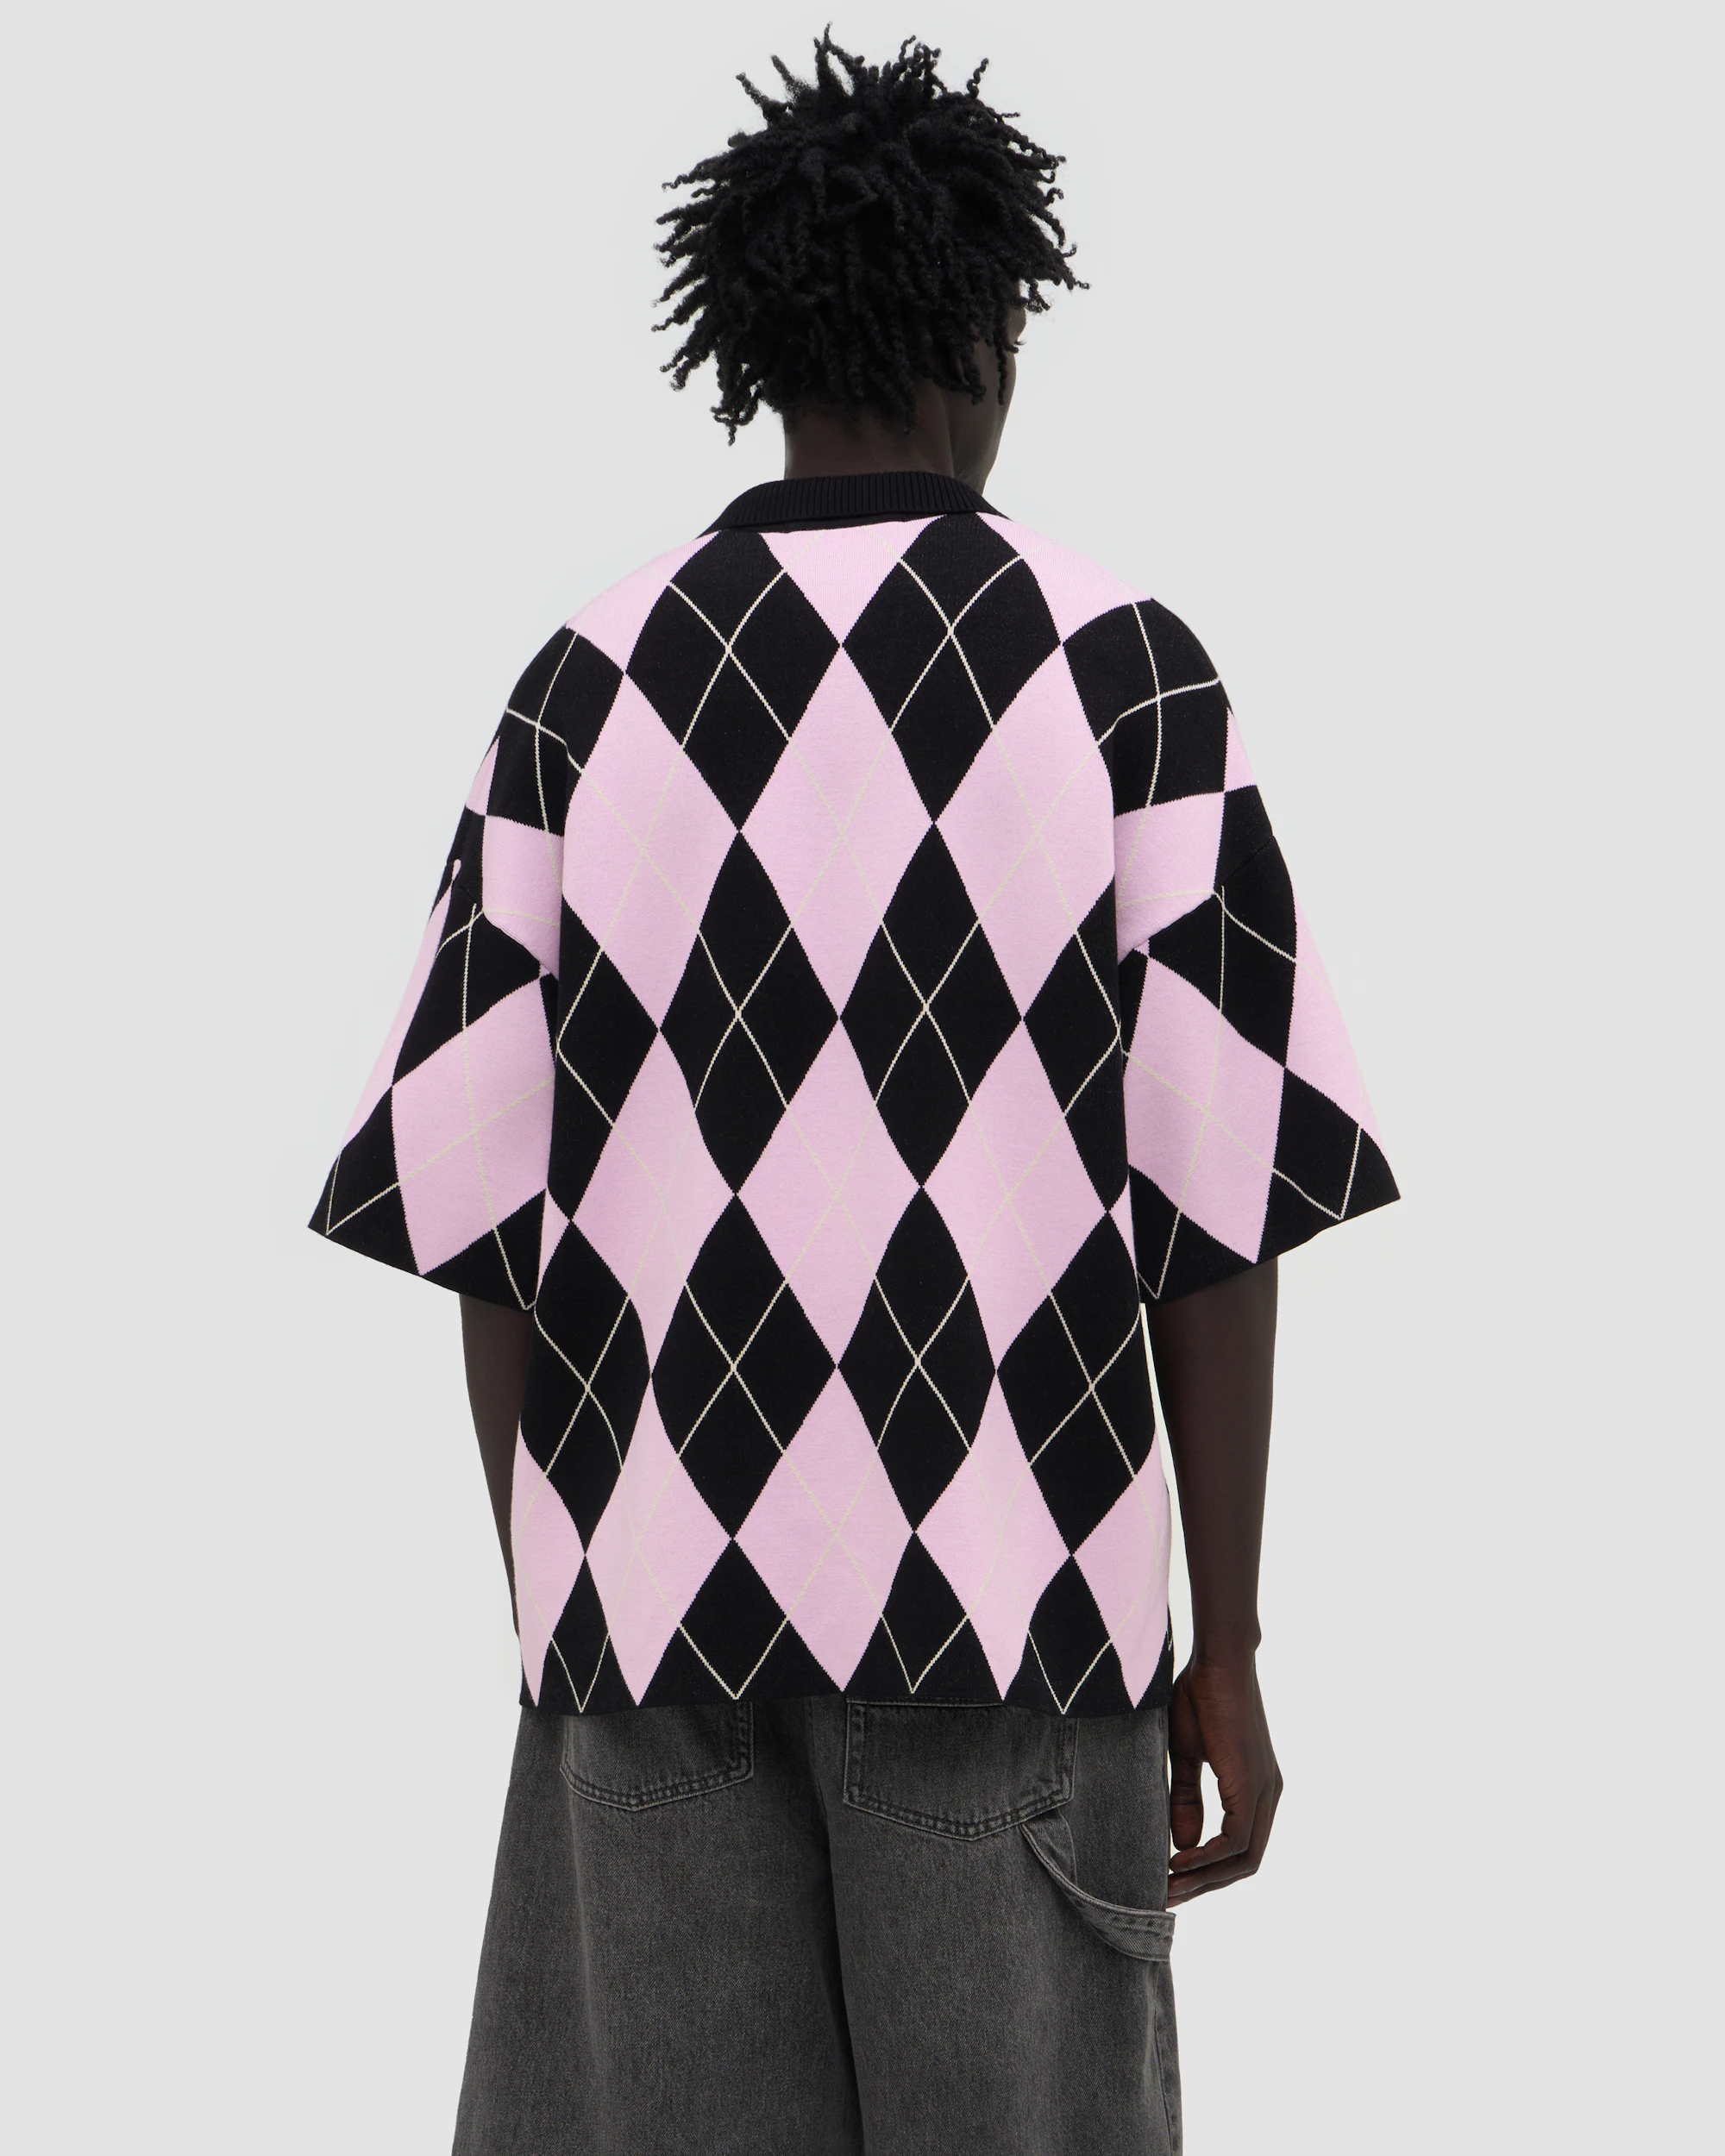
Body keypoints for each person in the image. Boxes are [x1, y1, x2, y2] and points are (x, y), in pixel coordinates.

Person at [310, 33, 1396, 2154]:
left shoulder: (583, 688)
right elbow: (1220, 1211)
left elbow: (478, 1215)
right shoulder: (1121, 675)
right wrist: (1228, 1641)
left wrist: (563, 1595)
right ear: (992, 328)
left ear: (754, 346)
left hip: (648, 1613)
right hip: (1015, 1595)